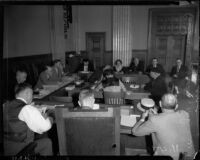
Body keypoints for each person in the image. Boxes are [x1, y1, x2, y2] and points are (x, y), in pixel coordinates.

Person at [132, 93, 195, 160]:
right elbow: (168, 122)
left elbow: (135, 132)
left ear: (160, 104)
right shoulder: (184, 114)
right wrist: (157, 116)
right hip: (188, 157)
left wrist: (142, 118)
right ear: (176, 106)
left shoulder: (155, 120)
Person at [3, 83, 53, 156]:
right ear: (27, 93)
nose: (32, 97)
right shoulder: (26, 108)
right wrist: (49, 119)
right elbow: (46, 126)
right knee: (47, 142)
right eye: (32, 94)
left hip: (8, 148)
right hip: (22, 149)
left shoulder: (6, 106)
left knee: (41, 135)